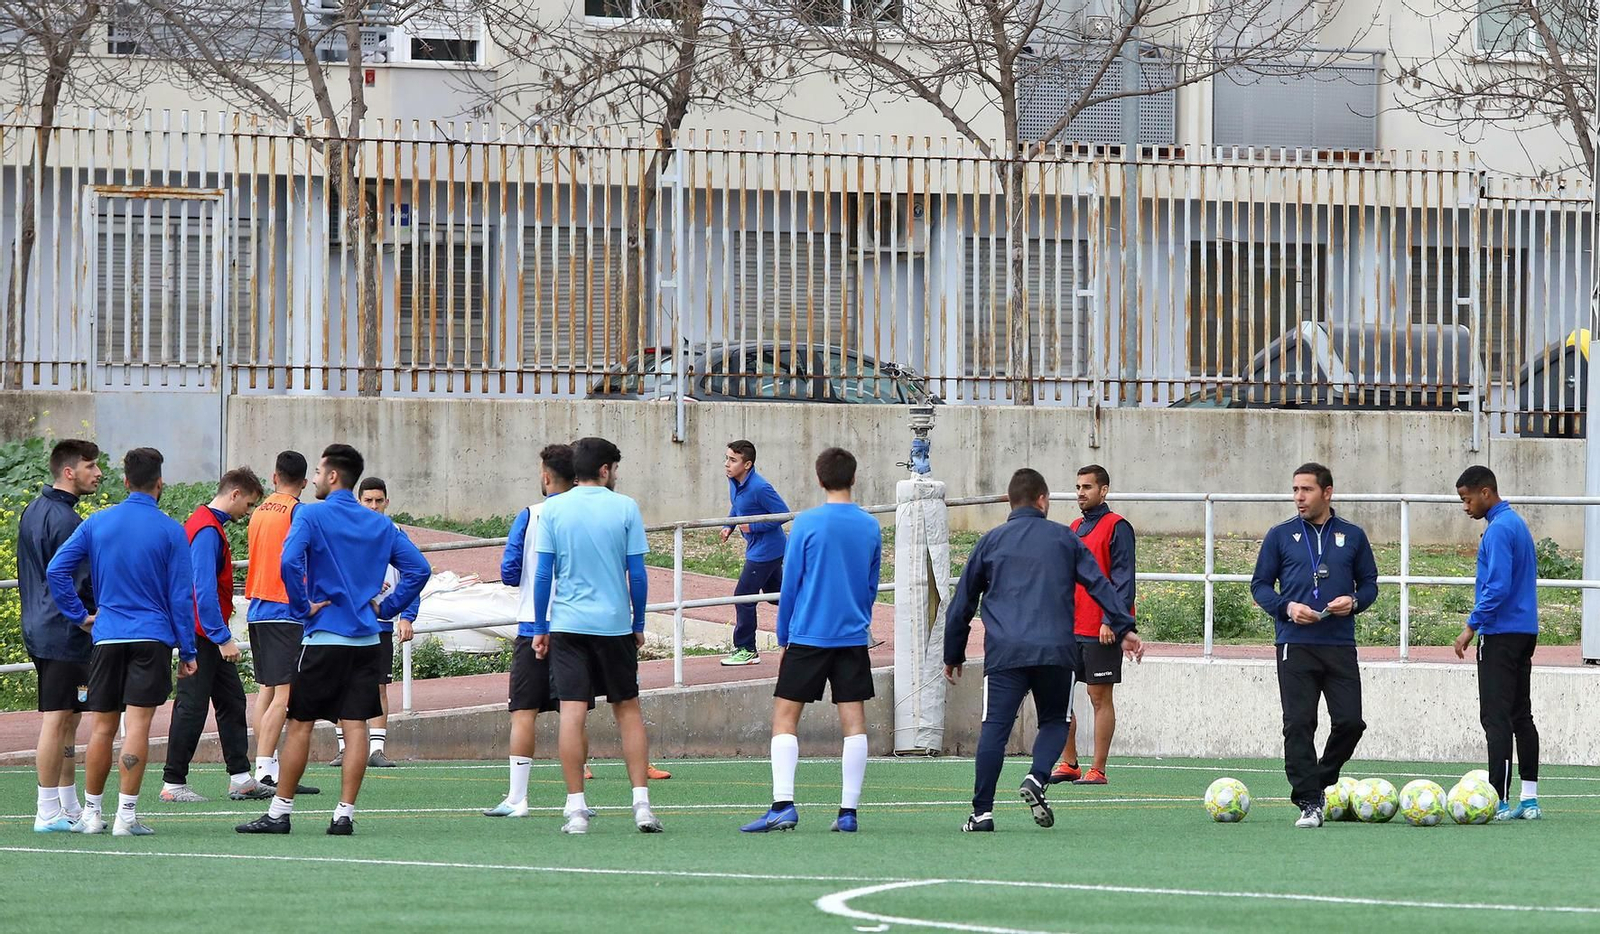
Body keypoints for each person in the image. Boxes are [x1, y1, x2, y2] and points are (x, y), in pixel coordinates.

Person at [236, 444, 429, 836]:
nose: (316, 479)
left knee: (302, 723)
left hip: (324, 637)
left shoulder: (310, 514)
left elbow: (289, 561)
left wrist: (302, 604)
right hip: (366, 640)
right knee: (356, 726)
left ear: (333, 476)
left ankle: (280, 812)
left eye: (321, 472)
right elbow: (419, 569)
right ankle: (344, 814)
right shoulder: (380, 524)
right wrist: (388, 607)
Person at [943, 468, 1141, 833]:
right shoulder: (1064, 539)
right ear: (1043, 500)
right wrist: (1124, 626)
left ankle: (982, 813)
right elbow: (1098, 582)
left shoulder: (991, 541)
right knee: (1055, 720)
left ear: (1009, 501)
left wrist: (953, 653)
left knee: (995, 729)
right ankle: (1036, 777)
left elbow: (963, 602)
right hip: (1056, 651)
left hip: (1005, 653)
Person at [46, 447, 197, 837]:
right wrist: (189, 649)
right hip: (153, 637)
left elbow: (56, 569)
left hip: (108, 635)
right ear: (159, 483)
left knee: (102, 728)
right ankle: (126, 818)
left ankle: (92, 815)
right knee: (139, 727)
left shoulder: (97, 522)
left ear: (125, 481)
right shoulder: (170, 529)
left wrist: (79, 616)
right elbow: (181, 596)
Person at [740, 447, 881, 835]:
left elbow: (791, 586)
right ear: (853, 478)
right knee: (854, 723)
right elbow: (870, 586)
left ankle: (783, 805)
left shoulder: (806, 523)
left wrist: (784, 636)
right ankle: (848, 812)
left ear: (819, 479)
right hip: (851, 636)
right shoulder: (870, 526)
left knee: (785, 719)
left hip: (807, 635)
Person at [529, 436, 661, 835]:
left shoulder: (553, 509)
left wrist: (540, 626)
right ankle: (641, 805)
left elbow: (542, 574)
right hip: (614, 626)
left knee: (571, 714)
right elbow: (636, 573)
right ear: (604, 470)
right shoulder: (625, 507)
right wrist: (638, 623)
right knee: (628, 710)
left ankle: (576, 810)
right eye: (615, 468)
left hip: (568, 625)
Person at [1250, 462, 1378, 829]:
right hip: (1295, 643)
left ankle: (1320, 779)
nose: (1298, 498)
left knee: (1351, 722)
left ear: (1327, 492)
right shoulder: (1280, 535)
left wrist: (1354, 602)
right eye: (1294, 490)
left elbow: (1369, 585)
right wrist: (1287, 607)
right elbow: (1259, 585)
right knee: (1299, 724)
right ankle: (1308, 802)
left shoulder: (1352, 535)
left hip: (1339, 643)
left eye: (1306, 490)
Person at [485, 443, 587, 817]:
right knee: (574, 712)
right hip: (577, 625)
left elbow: (510, 572)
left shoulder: (530, 515)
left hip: (533, 622)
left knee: (523, 711)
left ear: (546, 476)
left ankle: (517, 798)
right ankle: (576, 800)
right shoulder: (588, 515)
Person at [161, 467, 274, 803]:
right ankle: (172, 783)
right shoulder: (208, 530)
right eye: (250, 504)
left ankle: (240, 777)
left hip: (203, 631)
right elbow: (203, 590)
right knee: (192, 706)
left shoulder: (204, 524)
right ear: (235, 494)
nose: (249, 512)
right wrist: (221, 636)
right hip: (201, 634)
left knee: (231, 701)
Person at [18, 439, 102, 832]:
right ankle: (47, 809)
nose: (97, 473)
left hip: (41, 627)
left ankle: (67, 806)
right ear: (69, 471)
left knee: (68, 717)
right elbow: (75, 579)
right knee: (57, 719)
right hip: (63, 633)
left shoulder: (33, 510)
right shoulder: (68, 521)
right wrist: (84, 615)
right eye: (90, 466)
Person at [1453, 465, 1542, 821]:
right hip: (1524, 631)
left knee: (1496, 717)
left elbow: (1498, 586)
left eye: (1467, 498)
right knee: (1522, 714)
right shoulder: (1515, 523)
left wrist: (1471, 625)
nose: (1465, 506)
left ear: (1485, 493)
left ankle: (1500, 800)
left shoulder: (1498, 530)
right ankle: (1530, 799)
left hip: (1501, 633)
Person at [329, 476, 423, 769]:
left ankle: (377, 749)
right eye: (367, 500)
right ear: (359, 502)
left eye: (378, 500)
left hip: (379, 623)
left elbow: (415, 574)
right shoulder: (343, 532)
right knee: (340, 685)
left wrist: (406, 615)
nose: (373, 505)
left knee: (378, 685)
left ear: (386, 502)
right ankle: (344, 748)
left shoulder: (394, 533)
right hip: (343, 624)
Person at [1052, 464, 1136, 787]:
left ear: (1104, 491)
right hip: (1069, 629)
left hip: (1101, 629)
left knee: (1098, 696)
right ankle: (1069, 762)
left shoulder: (1118, 527)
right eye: (1077, 487)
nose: (1080, 493)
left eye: (1087, 487)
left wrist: (1110, 621)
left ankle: (1097, 769)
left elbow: (1123, 579)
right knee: (1059, 697)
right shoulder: (1073, 527)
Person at [244, 451, 319, 795]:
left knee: (267, 690)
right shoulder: (298, 511)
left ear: (274, 477)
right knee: (283, 695)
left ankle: (268, 766)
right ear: (304, 482)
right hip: (285, 609)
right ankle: (264, 772)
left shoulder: (259, 510)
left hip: (257, 606)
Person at [719, 440, 790, 667]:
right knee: (775, 594)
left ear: (747, 464)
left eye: (733, 460)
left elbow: (783, 514)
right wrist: (729, 525)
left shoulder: (760, 487)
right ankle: (815, 613)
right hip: (758, 548)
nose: (727, 464)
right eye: (727, 458)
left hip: (767, 550)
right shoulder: (733, 481)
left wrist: (754, 527)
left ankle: (746, 649)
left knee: (743, 597)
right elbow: (738, 506)